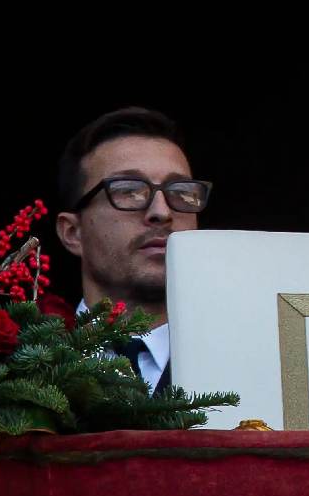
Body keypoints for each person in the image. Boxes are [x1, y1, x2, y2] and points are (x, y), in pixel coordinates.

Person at [56, 107, 211, 395]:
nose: (162, 212)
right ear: (72, 233)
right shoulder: (16, 366)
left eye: (181, 192)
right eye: (129, 190)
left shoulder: (251, 357)